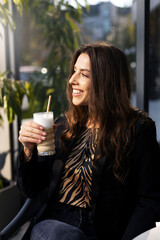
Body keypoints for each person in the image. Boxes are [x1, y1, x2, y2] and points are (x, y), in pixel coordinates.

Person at [18, 41, 160, 240]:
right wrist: (27, 151)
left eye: (83, 74)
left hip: (100, 232)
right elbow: (31, 190)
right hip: (54, 227)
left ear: (107, 81)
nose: (72, 80)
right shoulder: (63, 126)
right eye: (74, 71)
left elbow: (150, 200)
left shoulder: (138, 129)